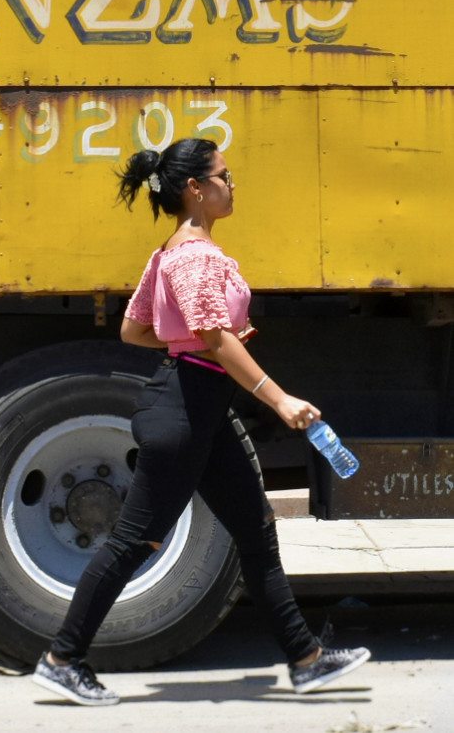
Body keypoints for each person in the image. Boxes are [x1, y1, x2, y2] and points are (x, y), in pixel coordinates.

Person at [30, 138, 370, 707]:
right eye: (224, 176)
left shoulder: (170, 254)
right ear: (195, 188)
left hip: (200, 411)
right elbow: (214, 336)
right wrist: (278, 397)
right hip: (183, 412)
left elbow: (135, 331)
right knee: (132, 544)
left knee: (255, 530)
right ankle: (62, 659)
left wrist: (197, 342)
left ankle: (306, 660)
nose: (231, 185)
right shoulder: (195, 257)